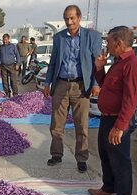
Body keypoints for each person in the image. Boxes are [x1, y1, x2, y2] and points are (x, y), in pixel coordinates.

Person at [88, 26, 137, 195]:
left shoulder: (132, 65)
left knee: (120, 160)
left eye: (109, 41)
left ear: (119, 43)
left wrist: (120, 126)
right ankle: (109, 187)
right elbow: (106, 85)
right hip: (106, 118)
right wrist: (99, 68)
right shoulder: (118, 63)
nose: (107, 44)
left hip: (118, 121)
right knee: (106, 155)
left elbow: (131, 99)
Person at [42, 5, 101, 173]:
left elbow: (97, 64)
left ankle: (81, 158)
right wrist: (47, 83)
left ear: (79, 18)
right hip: (61, 84)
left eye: (72, 18)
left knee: (81, 125)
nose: (69, 22)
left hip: (81, 86)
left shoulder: (92, 37)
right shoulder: (59, 38)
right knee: (56, 124)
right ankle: (56, 154)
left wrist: (96, 84)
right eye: (67, 18)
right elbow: (53, 62)